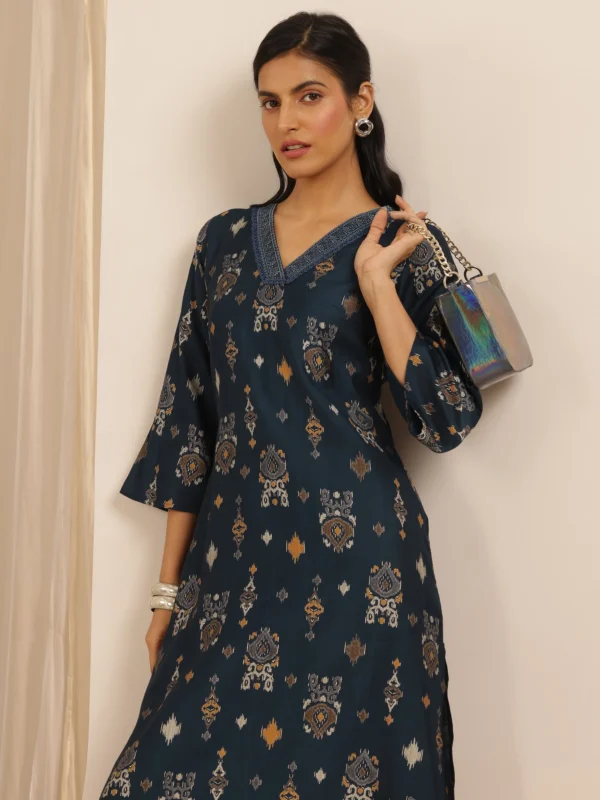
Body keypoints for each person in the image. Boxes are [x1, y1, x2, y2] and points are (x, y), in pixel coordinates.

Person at [99, 11, 483, 800]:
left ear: (361, 101)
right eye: (270, 102)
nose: (287, 122)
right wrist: (167, 595)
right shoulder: (222, 243)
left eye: (310, 96)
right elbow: (188, 424)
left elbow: (446, 417)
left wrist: (377, 284)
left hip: (362, 568)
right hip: (231, 567)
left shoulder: (404, 242)